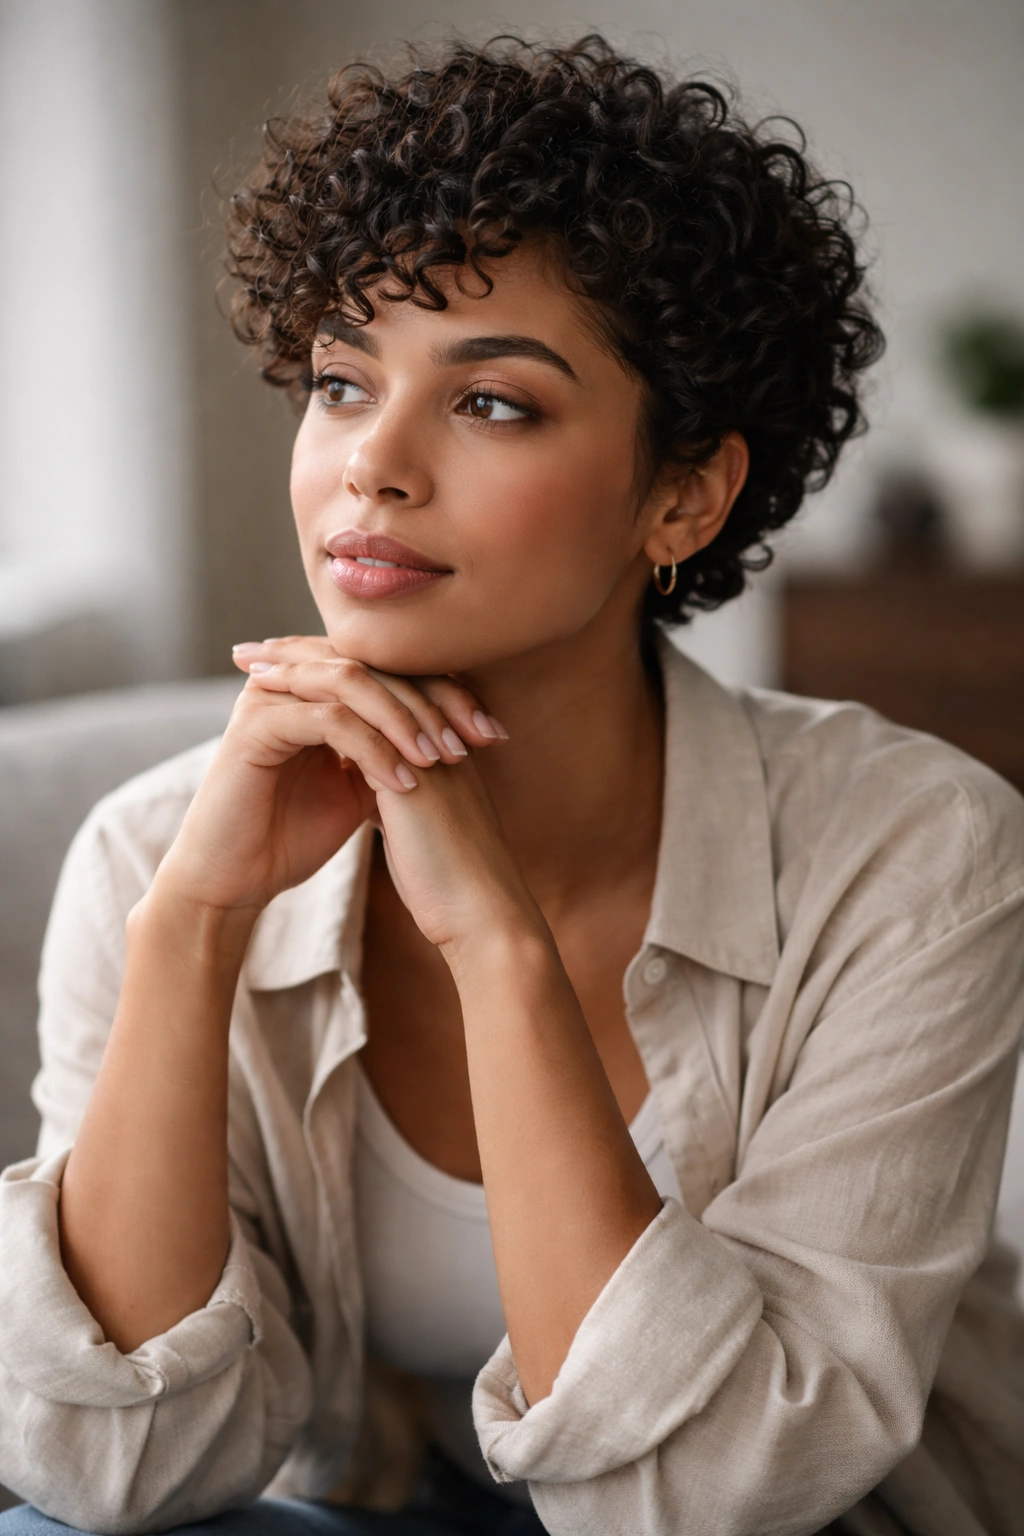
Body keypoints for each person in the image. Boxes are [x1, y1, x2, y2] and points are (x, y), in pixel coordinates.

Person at [1, 33, 1022, 1536]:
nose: (375, 467)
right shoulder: (155, 850)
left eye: (492, 404)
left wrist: (496, 944)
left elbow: (703, 1504)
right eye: (342, 382)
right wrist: (195, 923)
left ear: (684, 492)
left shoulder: (916, 850)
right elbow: (110, 1474)